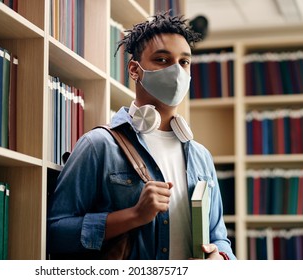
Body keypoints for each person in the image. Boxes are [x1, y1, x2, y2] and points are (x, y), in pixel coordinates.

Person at [47, 11, 236, 260]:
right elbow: (55, 233)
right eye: (162, 59)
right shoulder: (98, 146)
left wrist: (220, 259)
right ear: (135, 70)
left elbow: (219, 237)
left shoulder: (201, 157)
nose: (177, 71)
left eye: (184, 62)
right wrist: (134, 215)